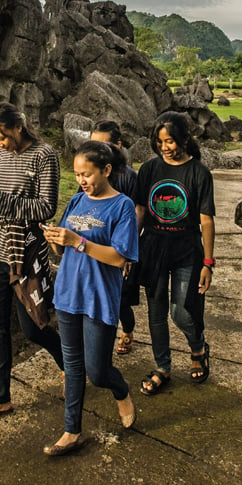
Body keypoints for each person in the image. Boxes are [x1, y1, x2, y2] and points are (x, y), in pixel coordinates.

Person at [0, 101, 64, 426]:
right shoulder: (0, 156)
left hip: (28, 252)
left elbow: (46, 207)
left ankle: (72, 364)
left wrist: (0, 200)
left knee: (33, 329)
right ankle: (0, 399)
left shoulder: (44, 155)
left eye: (2, 138)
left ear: (17, 127)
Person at [41, 139, 140, 455]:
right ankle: (71, 431)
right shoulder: (74, 201)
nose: (81, 181)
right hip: (68, 294)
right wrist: (56, 240)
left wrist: (78, 241)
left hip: (98, 297)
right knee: (72, 368)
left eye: (87, 174)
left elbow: (120, 257)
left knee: (97, 371)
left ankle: (120, 390)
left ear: (107, 170)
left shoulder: (121, 206)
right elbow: (64, 243)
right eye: (77, 174)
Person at [134, 111, 216, 396]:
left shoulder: (199, 173)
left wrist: (208, 262)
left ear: (183, 138)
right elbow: (140, 212)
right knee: (155, 313)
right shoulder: (149, 170)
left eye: (170, 141)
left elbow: (206, 220)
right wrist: (130, 249)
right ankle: (162, 367)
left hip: (187, 252)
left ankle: (198, 347)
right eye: (159, 142)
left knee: (182, 311)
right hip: (154, 249)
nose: (165, 147)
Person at [87, 120, 141, 355]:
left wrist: (127, 251)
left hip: (119, 248)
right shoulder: (89, 176)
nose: (98, 152)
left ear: (118, 145)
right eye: (93, 145)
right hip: (95, 246)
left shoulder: (128, 177)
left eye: (105, 146)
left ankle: (127, 329)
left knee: (120, 299)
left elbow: (138, 212)